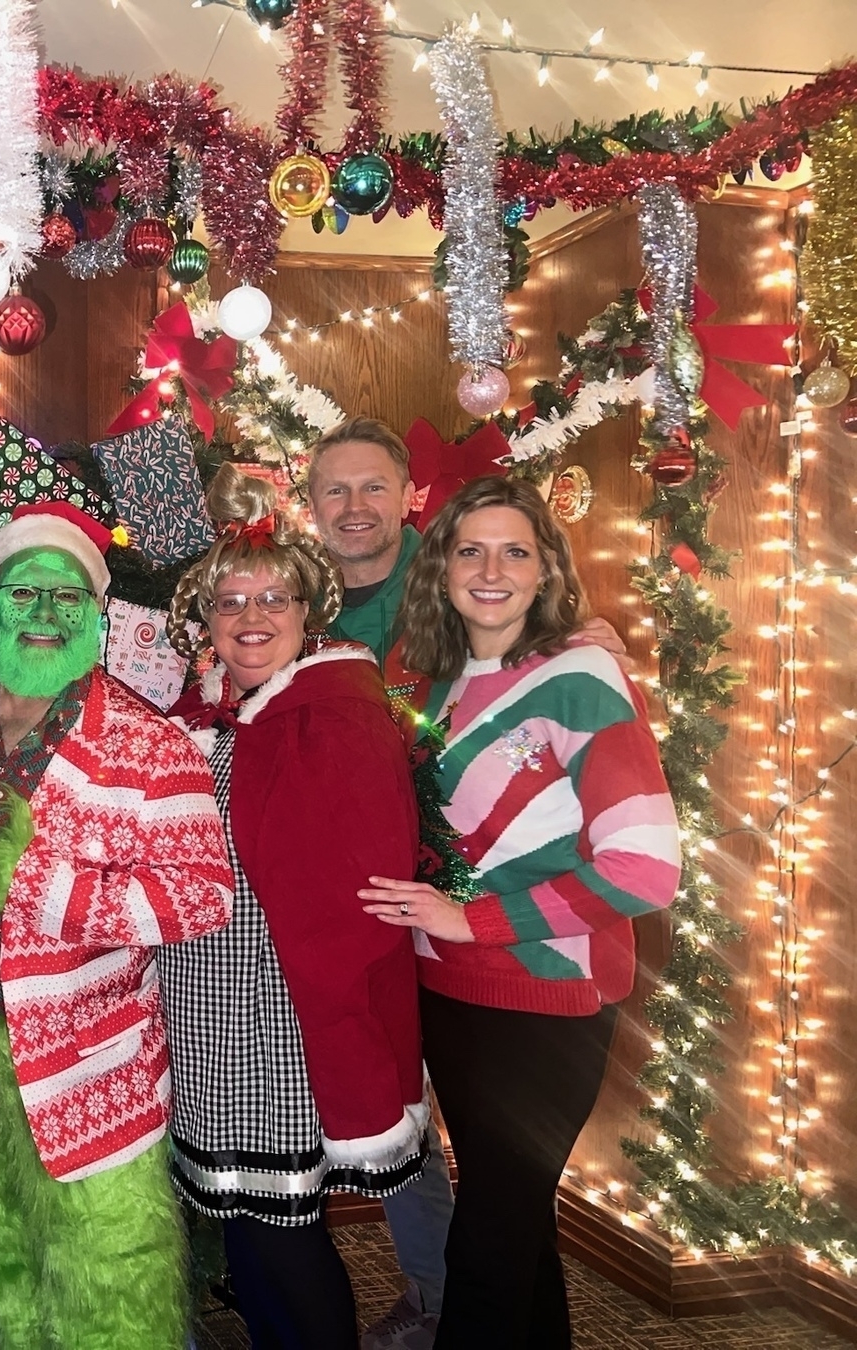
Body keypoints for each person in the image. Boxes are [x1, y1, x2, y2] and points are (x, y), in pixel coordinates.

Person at [304, 418, 627, 1350]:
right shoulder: (304, 606)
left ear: (410, 504)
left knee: (497, 1207)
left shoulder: (523, 644)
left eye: (376, 489)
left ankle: (437, 1293)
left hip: (522, 960)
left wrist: (589, 655)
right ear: (311, 501)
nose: (356, 508)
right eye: (336, 490)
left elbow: (635, 853)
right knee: (498, 1191)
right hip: (417, 940)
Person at [359, 476, 681, 1348]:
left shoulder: (583, 679)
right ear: (442, 569)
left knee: (490, 1242)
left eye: (515, 551)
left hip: (547, 1000)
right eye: (470, 549)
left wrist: (478, 921)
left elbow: (646, 869)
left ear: (546, 571)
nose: (490, 568)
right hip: (448, 994)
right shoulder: (426, 686)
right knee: (515, 1218)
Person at [0, 501, 234, 1350]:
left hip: (89, 1067)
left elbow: (204, 896)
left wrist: (45, 886)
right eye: (25, 594)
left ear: (97, 613)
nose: (45, 616)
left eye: (67, 598)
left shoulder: (147, 742)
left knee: (109, 1277)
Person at [161, 465, 425, 1349]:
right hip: (208, 1015)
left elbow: (348, 899)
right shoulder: (225, 719)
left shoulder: (332, 717)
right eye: (230, 603)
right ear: (207, 624)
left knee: (283, 1236)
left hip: (275, 1020)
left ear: (311, 612)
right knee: (248, 1231)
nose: (251, 618)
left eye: (273, 598)